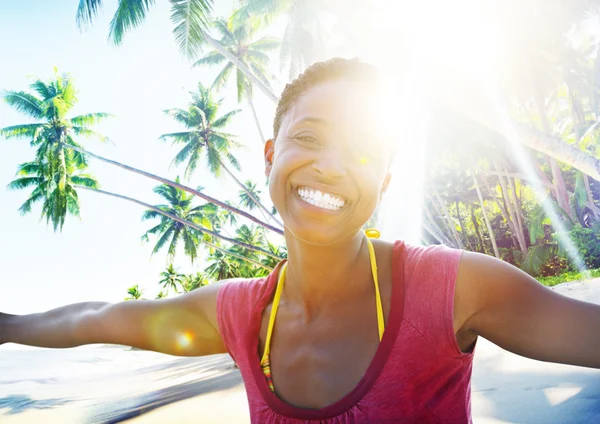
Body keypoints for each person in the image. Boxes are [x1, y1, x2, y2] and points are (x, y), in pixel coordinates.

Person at [1, 58, 600, 424]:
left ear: (383, 184)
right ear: (270, 156)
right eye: (309, 137)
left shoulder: (454, 288)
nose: (331, 167)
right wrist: (7, 326)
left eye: (362, 151)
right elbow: (97, 318)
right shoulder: (239, 315)